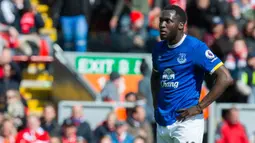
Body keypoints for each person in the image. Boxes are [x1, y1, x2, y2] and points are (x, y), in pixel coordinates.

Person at [151, 5, 233, 143]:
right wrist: (156, 105)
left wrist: (200, 107)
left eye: (168, 21)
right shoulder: (158, 49)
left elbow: (225, 77)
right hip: (163, 121)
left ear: (180, 25)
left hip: (186, 123)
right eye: (161, 21)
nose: (162, 25)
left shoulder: (196, 47)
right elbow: (155, 76)